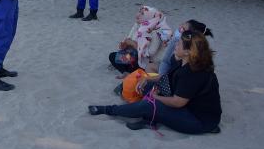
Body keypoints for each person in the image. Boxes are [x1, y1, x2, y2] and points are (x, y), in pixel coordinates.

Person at [89, 31, 222, 134]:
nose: (175, 44)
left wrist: (156, 96)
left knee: (150, 105)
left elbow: (177, 102)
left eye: (179, 44)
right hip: (183, 103)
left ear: (188, 51)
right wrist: (148, 78)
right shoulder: (181, 60)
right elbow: (166, 77)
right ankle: (150, 117)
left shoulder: (194, 72)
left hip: (198, 120)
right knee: (146, 84)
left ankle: (109, 109)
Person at [109, 6, 172, 74]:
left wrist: (133, 44)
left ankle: (128, 72)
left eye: (142, 14)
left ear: (150, 18)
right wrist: (124, 45)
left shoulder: (155, 32)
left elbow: (150, 54)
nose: (138, 15)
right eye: (139, 11)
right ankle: (128, 71)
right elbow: (129, 39)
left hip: (146, 62)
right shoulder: (139, 26)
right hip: (134, 56)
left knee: (131, 63)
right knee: (113, 56)